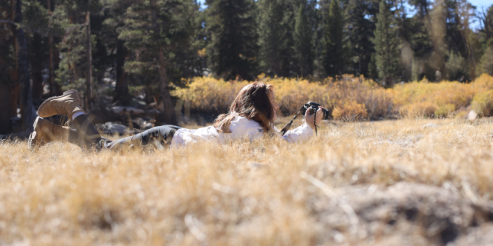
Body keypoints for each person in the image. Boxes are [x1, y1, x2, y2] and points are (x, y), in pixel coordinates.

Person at [28, 82, 324, 151]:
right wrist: (307, 129)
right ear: (259, 104)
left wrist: (308, 127)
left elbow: (276, 140)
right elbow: (277, 146)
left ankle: (48, 132)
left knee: (104, 146)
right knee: (102, 152)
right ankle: (71, 107)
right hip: (164, 140)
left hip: (169, 137)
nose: (276, 106)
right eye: (272, 100)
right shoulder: (247, 127)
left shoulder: (248, 124)